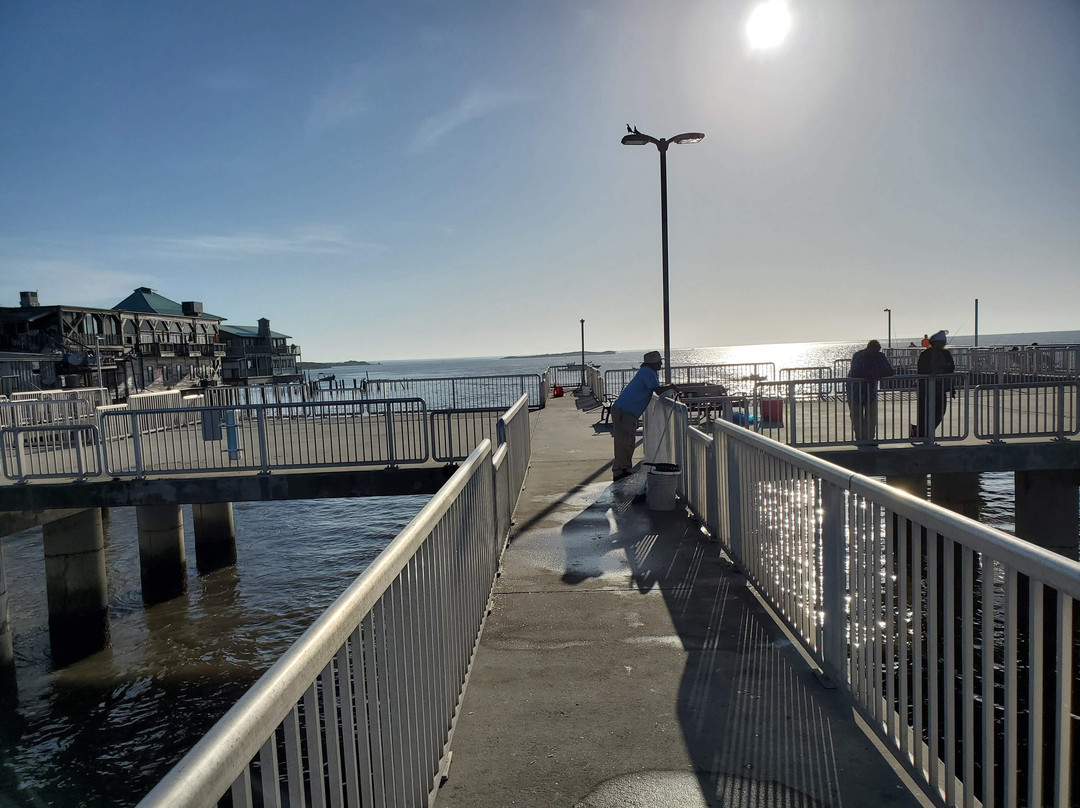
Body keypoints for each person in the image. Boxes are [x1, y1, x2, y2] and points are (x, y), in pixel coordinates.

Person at [609, 351, 678, 481]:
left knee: (627, 442)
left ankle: (623, 469)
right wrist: (671, 387)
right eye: (659, 361)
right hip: (625, 412)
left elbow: (655, 388)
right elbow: (657, 390)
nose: (661, 364)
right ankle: (620, 472)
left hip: (625, 411)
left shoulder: (648, 371)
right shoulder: (648, 372)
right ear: (653, 363)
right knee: (624, 442)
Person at [847, 340, 894, 445]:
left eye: (877, 351)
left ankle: (870, 438)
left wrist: (876, 374)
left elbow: (890, 371)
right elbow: (855, 372)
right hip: (855, 390)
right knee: (856, 415)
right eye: (874, 351)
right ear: (868, 348)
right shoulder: (858, 355)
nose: (875, 354)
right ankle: (860, 439)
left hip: (870, 391)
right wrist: (868, 375)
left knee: (871, 415)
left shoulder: (880, 356)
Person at [913, 330, 955, 439]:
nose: (942, 345)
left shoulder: (946, 353)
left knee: (940, 412)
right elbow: (922, 370)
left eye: (943, 343)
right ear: (934, 342)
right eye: (940, 343)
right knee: (924, 412)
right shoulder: (925, 354)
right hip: (925, 388)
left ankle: (924, 433)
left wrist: (951, 386)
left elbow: (951, 368)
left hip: (940, 388)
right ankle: (923, 434)